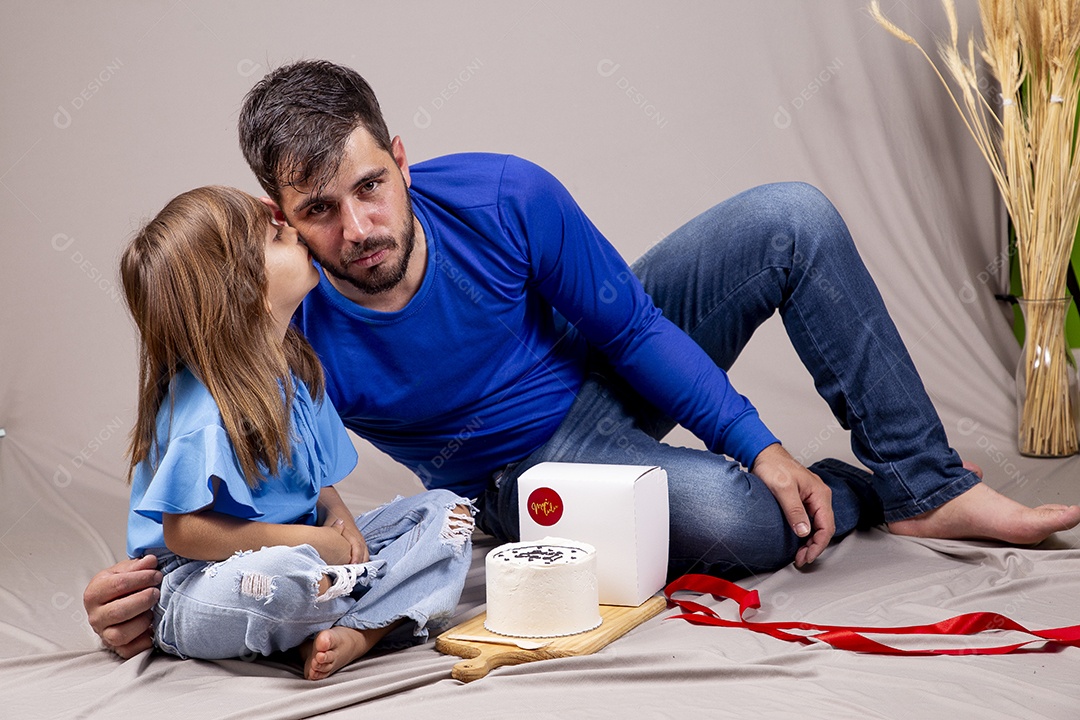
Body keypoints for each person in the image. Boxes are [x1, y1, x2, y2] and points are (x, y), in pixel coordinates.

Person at [86, 60, 1080, 659]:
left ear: (398, 152)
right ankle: (843, 491)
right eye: (319, 211)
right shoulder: (286, 318)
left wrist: (760, 441)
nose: (358, 227)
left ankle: (922, 482)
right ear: (277, 216)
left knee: (790, 216)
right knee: (745, 522)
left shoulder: (506, 195)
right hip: (530, 479)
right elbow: (220, 453)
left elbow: (634, 330)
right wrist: (144, 590)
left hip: (601, 367)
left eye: (371, 186)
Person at [116, 185, 474, 679]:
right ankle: (372, 604)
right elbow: (185, 531)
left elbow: (317, 481)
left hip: (313, 553)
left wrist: (340, 521)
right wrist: (302, 542)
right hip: (202, 579)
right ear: (240, 288)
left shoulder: (296, 369)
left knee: (447, 513)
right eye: (275, 236)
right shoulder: (204, 406)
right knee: (278, 580)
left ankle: (356, 630)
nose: (292, 228)